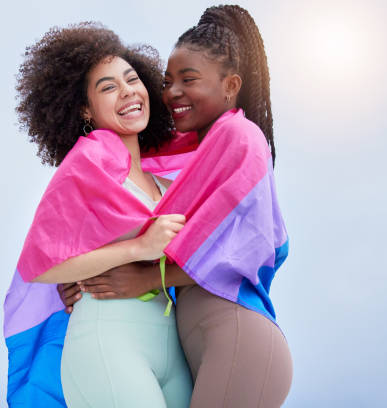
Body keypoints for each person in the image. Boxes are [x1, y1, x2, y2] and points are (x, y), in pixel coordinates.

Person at [66, 5, 293, 407]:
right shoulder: (196, 157)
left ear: (230, 85)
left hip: (236, 334)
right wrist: (82, 273)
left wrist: (146, 279)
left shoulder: (241, 136)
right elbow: (149, 229)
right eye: (168, 81)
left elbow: (246, 247)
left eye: (189, 80)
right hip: (205, 343)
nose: (171, 93)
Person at [4, 23, 192, 408]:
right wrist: (138, 247)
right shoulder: (88, 162)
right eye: (108, 87)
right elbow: (41, 265)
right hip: (109, 341)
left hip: (173, 345)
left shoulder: (167, 184)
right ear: (86, 109)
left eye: (132, 79)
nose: (127, 92)